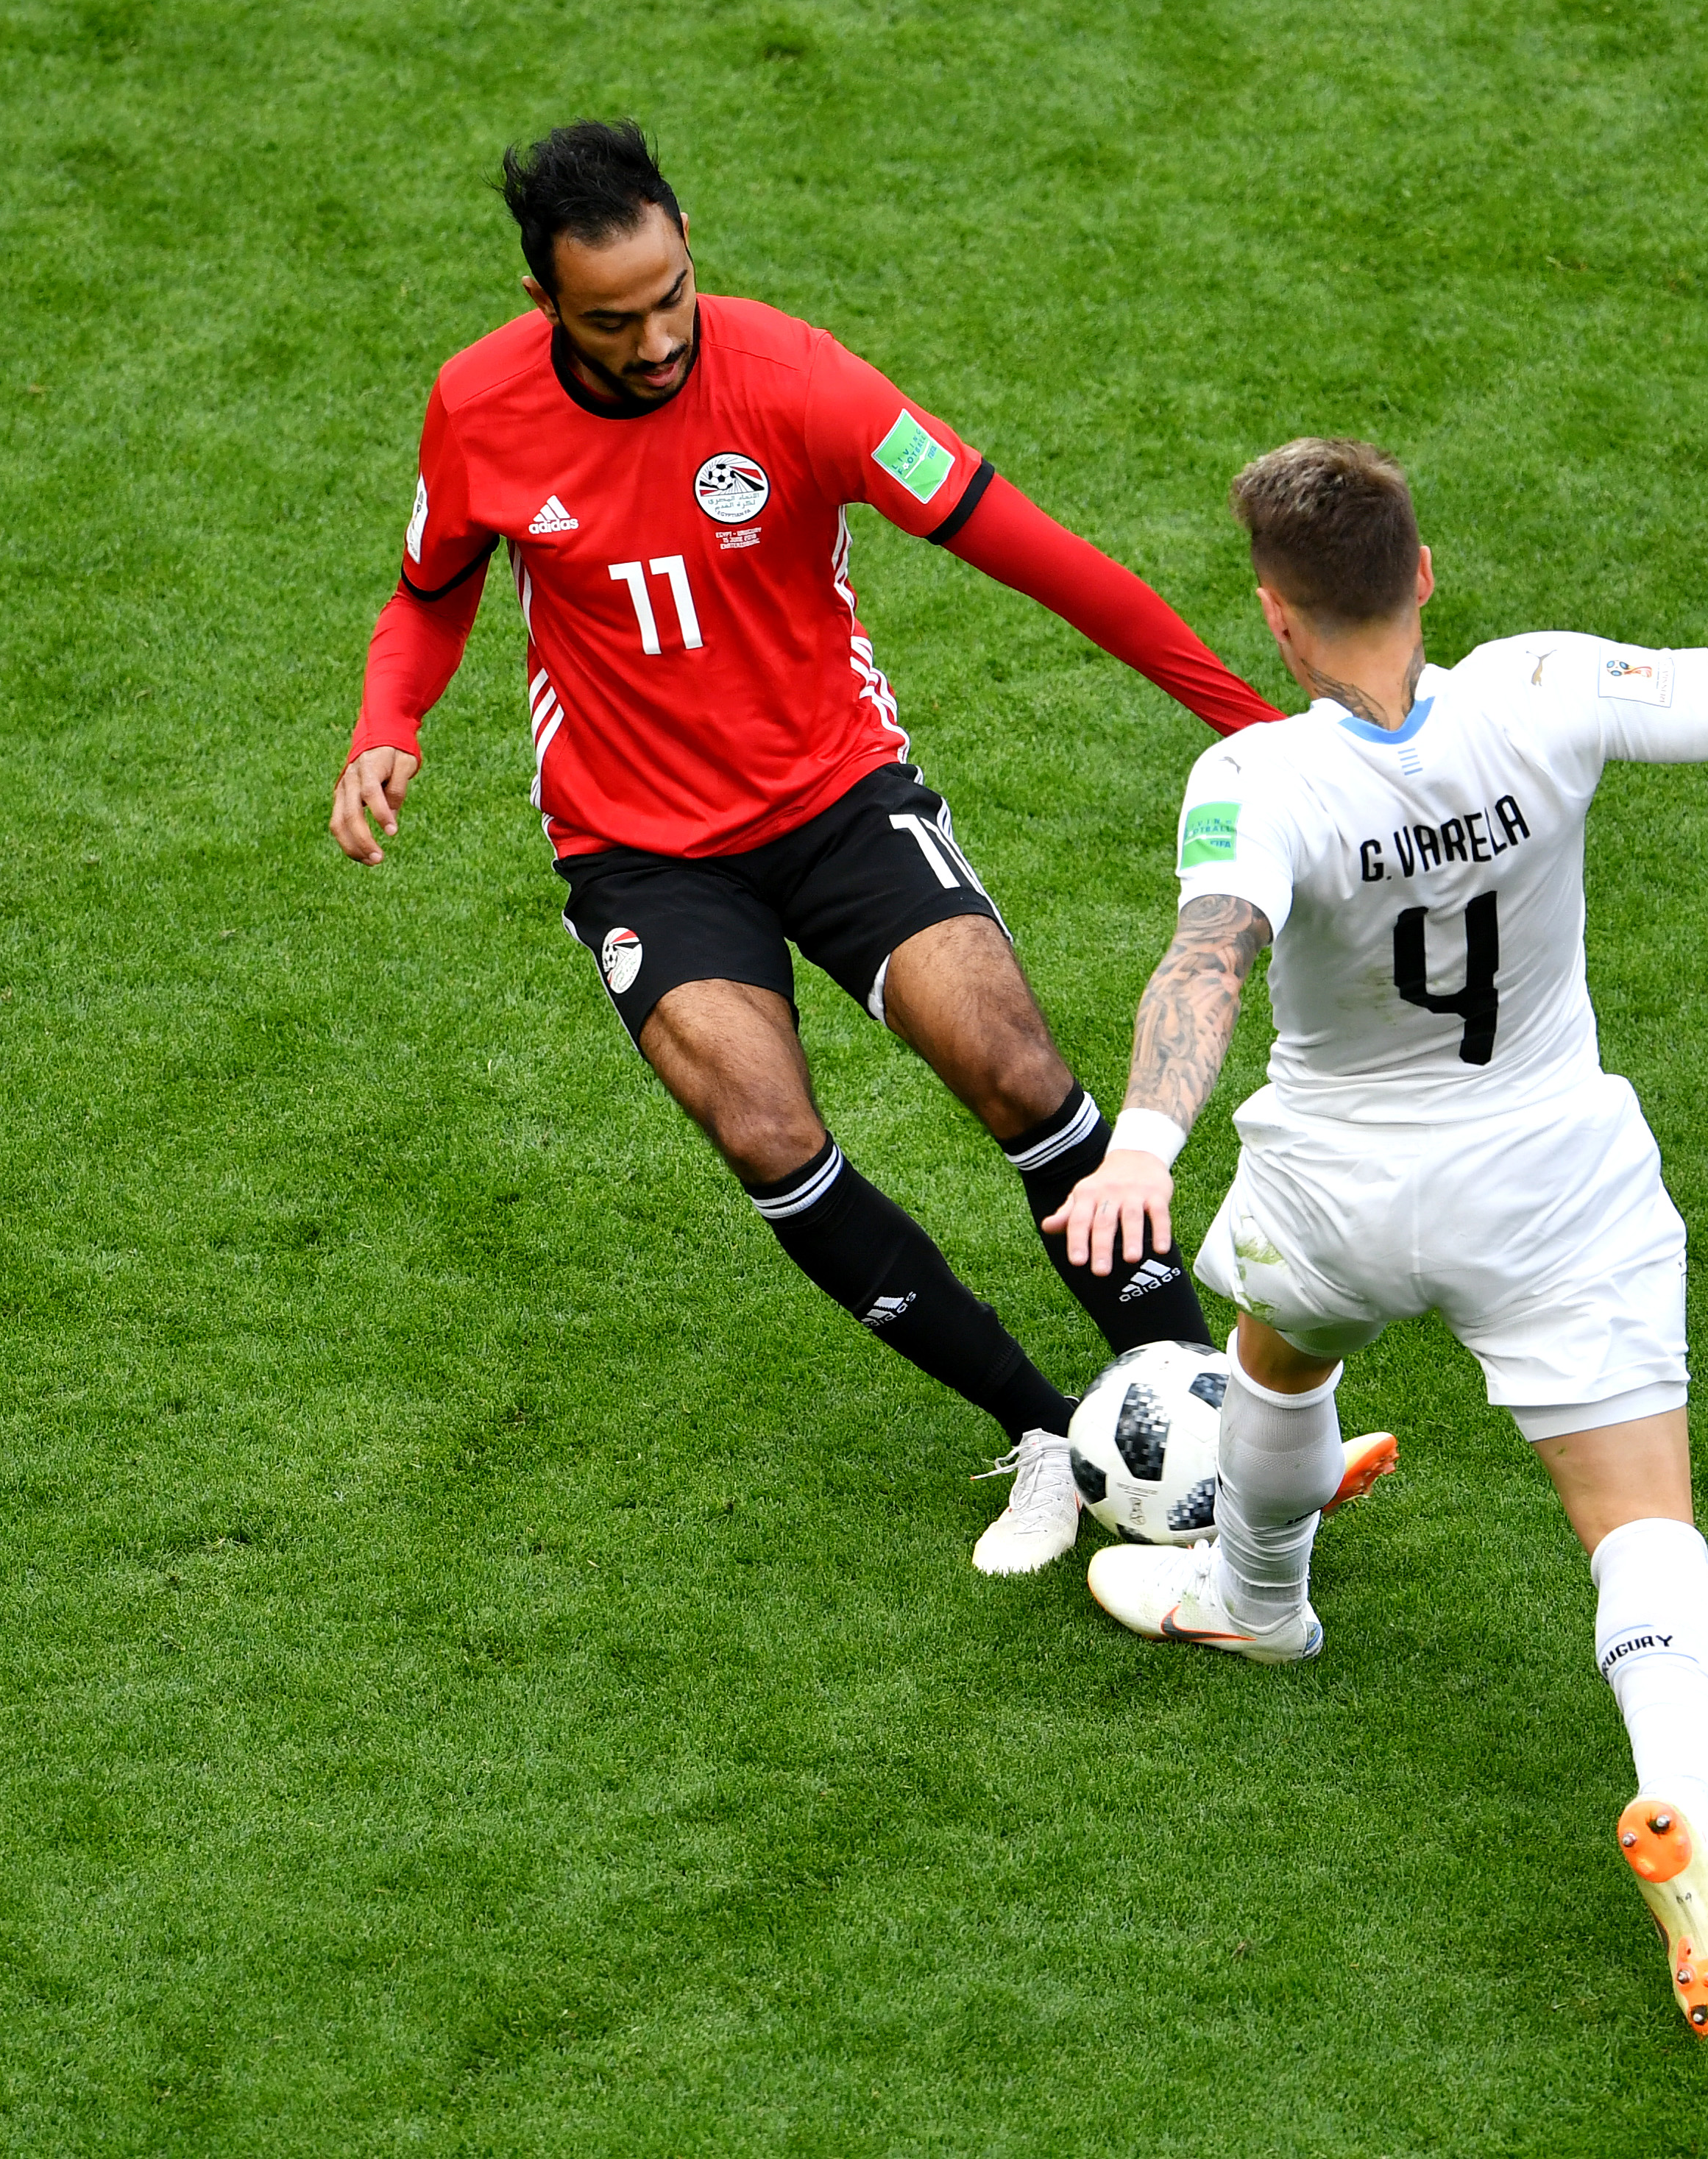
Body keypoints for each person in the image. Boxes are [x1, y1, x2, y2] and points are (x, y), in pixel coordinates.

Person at [1039, 330, 1708, 2050]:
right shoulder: (1548, 686)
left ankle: (1256, 1604)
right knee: (1637, 1521)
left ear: (1273, 617)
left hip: (1340, 1184)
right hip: (1550, 1179)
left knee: (1275, 1354)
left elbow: (1210, 955)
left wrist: (1140, 1136)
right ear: (1423, 575)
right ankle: (1683, 1820)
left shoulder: (1251, 780)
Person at [332, 121, 1283, 1575]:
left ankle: (1208, 1420)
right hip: (639, 850)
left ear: (687, 242)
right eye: (612, 319)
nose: (654, 340)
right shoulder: (479, 407)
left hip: (836, 796)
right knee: (767, 1132)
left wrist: (1257, 725)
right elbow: (428, 590)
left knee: (1015, 1067)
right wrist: (384, 723)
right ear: (545, 306)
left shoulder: (796, 383)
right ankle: (1046, 1436)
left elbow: (1042, 556)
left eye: (670, 296)